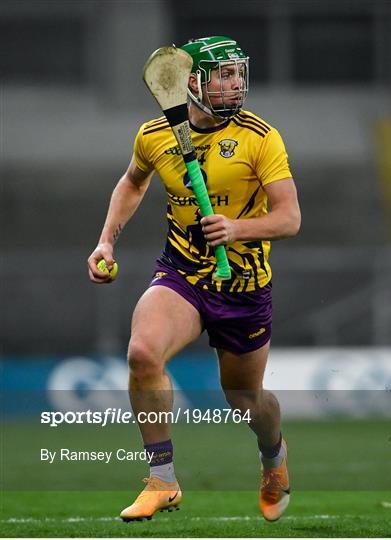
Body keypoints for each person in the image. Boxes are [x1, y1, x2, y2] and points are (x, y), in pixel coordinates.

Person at [87, 35, 301, 522]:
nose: (236, 83)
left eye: (238, 73)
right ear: (192, 82)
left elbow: (289, 219)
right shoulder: (154, 134)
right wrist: (106, 241)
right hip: (182, 274)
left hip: (243, 286)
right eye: (223, 75)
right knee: (143, 353)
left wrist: (238, 228)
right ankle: (162, 480)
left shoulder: (259, 137)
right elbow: (132, 181)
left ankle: (274, 459)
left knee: (245, 400)